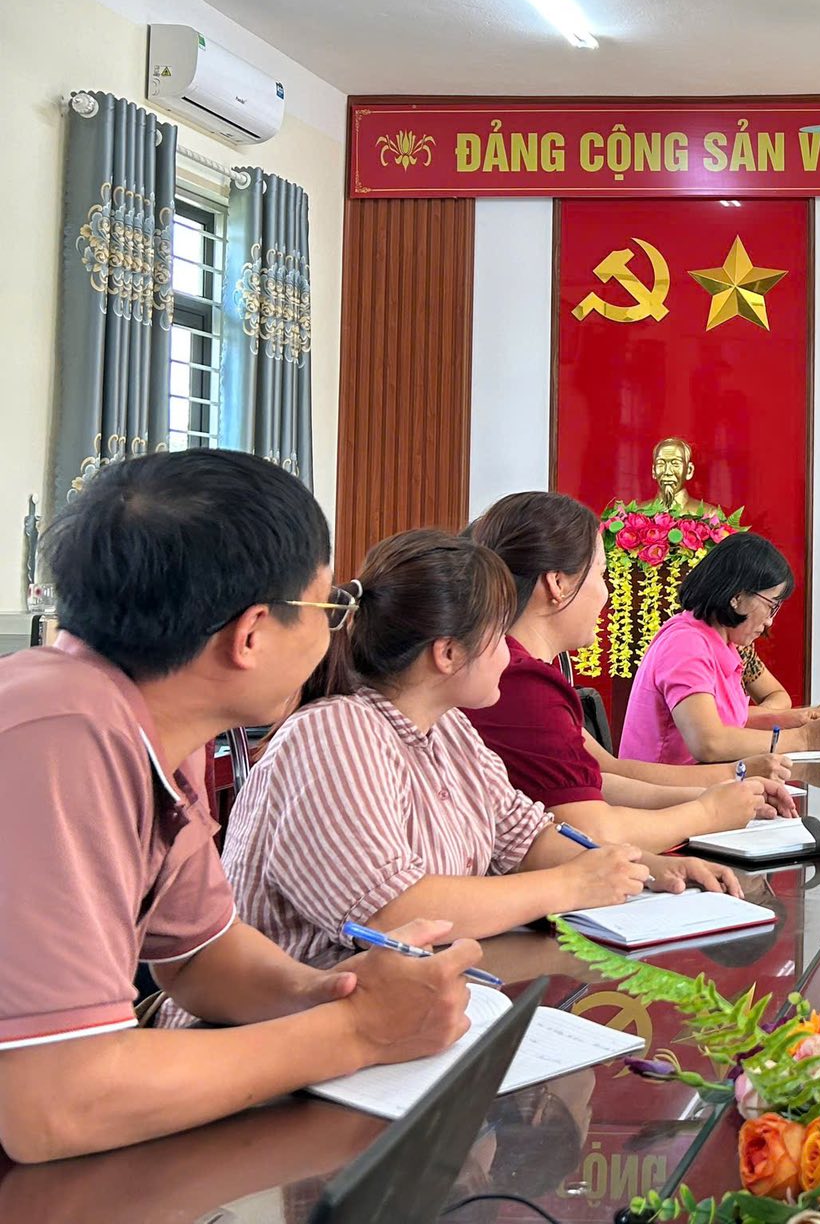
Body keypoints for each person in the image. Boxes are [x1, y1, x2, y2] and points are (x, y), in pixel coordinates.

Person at [0, 452, 473, 1163]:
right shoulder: (60, 737)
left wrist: (334, 991)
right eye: (328, 608)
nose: (334, 633)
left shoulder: (158, 727)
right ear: (251, 634)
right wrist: (359, 1031)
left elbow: (199, 954)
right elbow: (56, 1104)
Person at [211, 529, 708, 980]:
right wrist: (570, 886)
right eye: (498, 637)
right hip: (280, 1023)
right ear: (448, 654)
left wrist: (638, 866)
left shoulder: (448, 728)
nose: (509, 654)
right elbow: (392, 913)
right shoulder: (335, 734)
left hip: (398, 1003)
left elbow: (526, 836)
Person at [464, 491, 798, 852]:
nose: (606, 594)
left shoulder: (529, 673)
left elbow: (602, 774)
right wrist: (709, 809)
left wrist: (723, 790)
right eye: (601, 574)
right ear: (557, 584)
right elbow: (592, 827)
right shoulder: (521, 682)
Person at [618, 533, 820, 766]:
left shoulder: (723, 644)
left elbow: (732, 722)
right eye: (771, 606)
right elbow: (709, 742)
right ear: (737, 597)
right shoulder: (685, 643)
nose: (770, 621)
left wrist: (800, 719)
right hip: (665, 787)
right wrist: (804, 738)